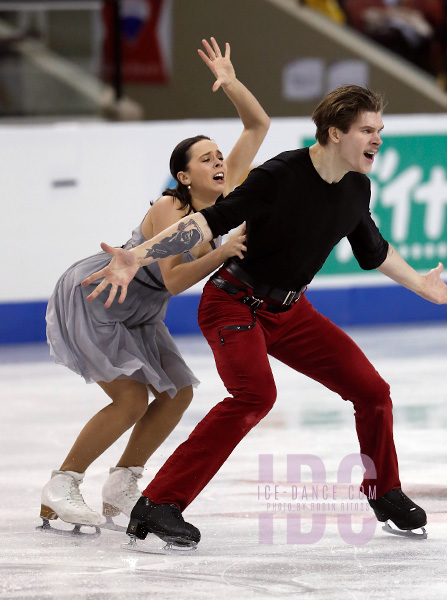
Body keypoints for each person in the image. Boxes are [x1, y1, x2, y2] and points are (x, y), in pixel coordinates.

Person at [82, 84, 447, 547]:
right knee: (254, 396)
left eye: (379, 130)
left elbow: (374, 249)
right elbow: (207, 222)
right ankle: (160, 503)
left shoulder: (356, 187)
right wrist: (139, 255)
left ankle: (384, 492)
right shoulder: (281, 174)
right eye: (367, 130)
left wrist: (420, 283)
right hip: (233, 303)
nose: (377, 140)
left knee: (372, 391)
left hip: (291, 311)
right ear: (334, 133)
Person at [39, 37, 269, 533]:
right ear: (183, 176)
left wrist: (231, 84)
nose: (219, 163)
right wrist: (223, 252)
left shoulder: (225, 197)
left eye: (218, 157)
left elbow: (257, 125)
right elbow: (175, 280)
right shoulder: (172, 208)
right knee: (129, 399)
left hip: (140, 310)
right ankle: (63, 484)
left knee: (178, 392)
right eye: (206, 159)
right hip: (100, 298)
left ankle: (124, 481)